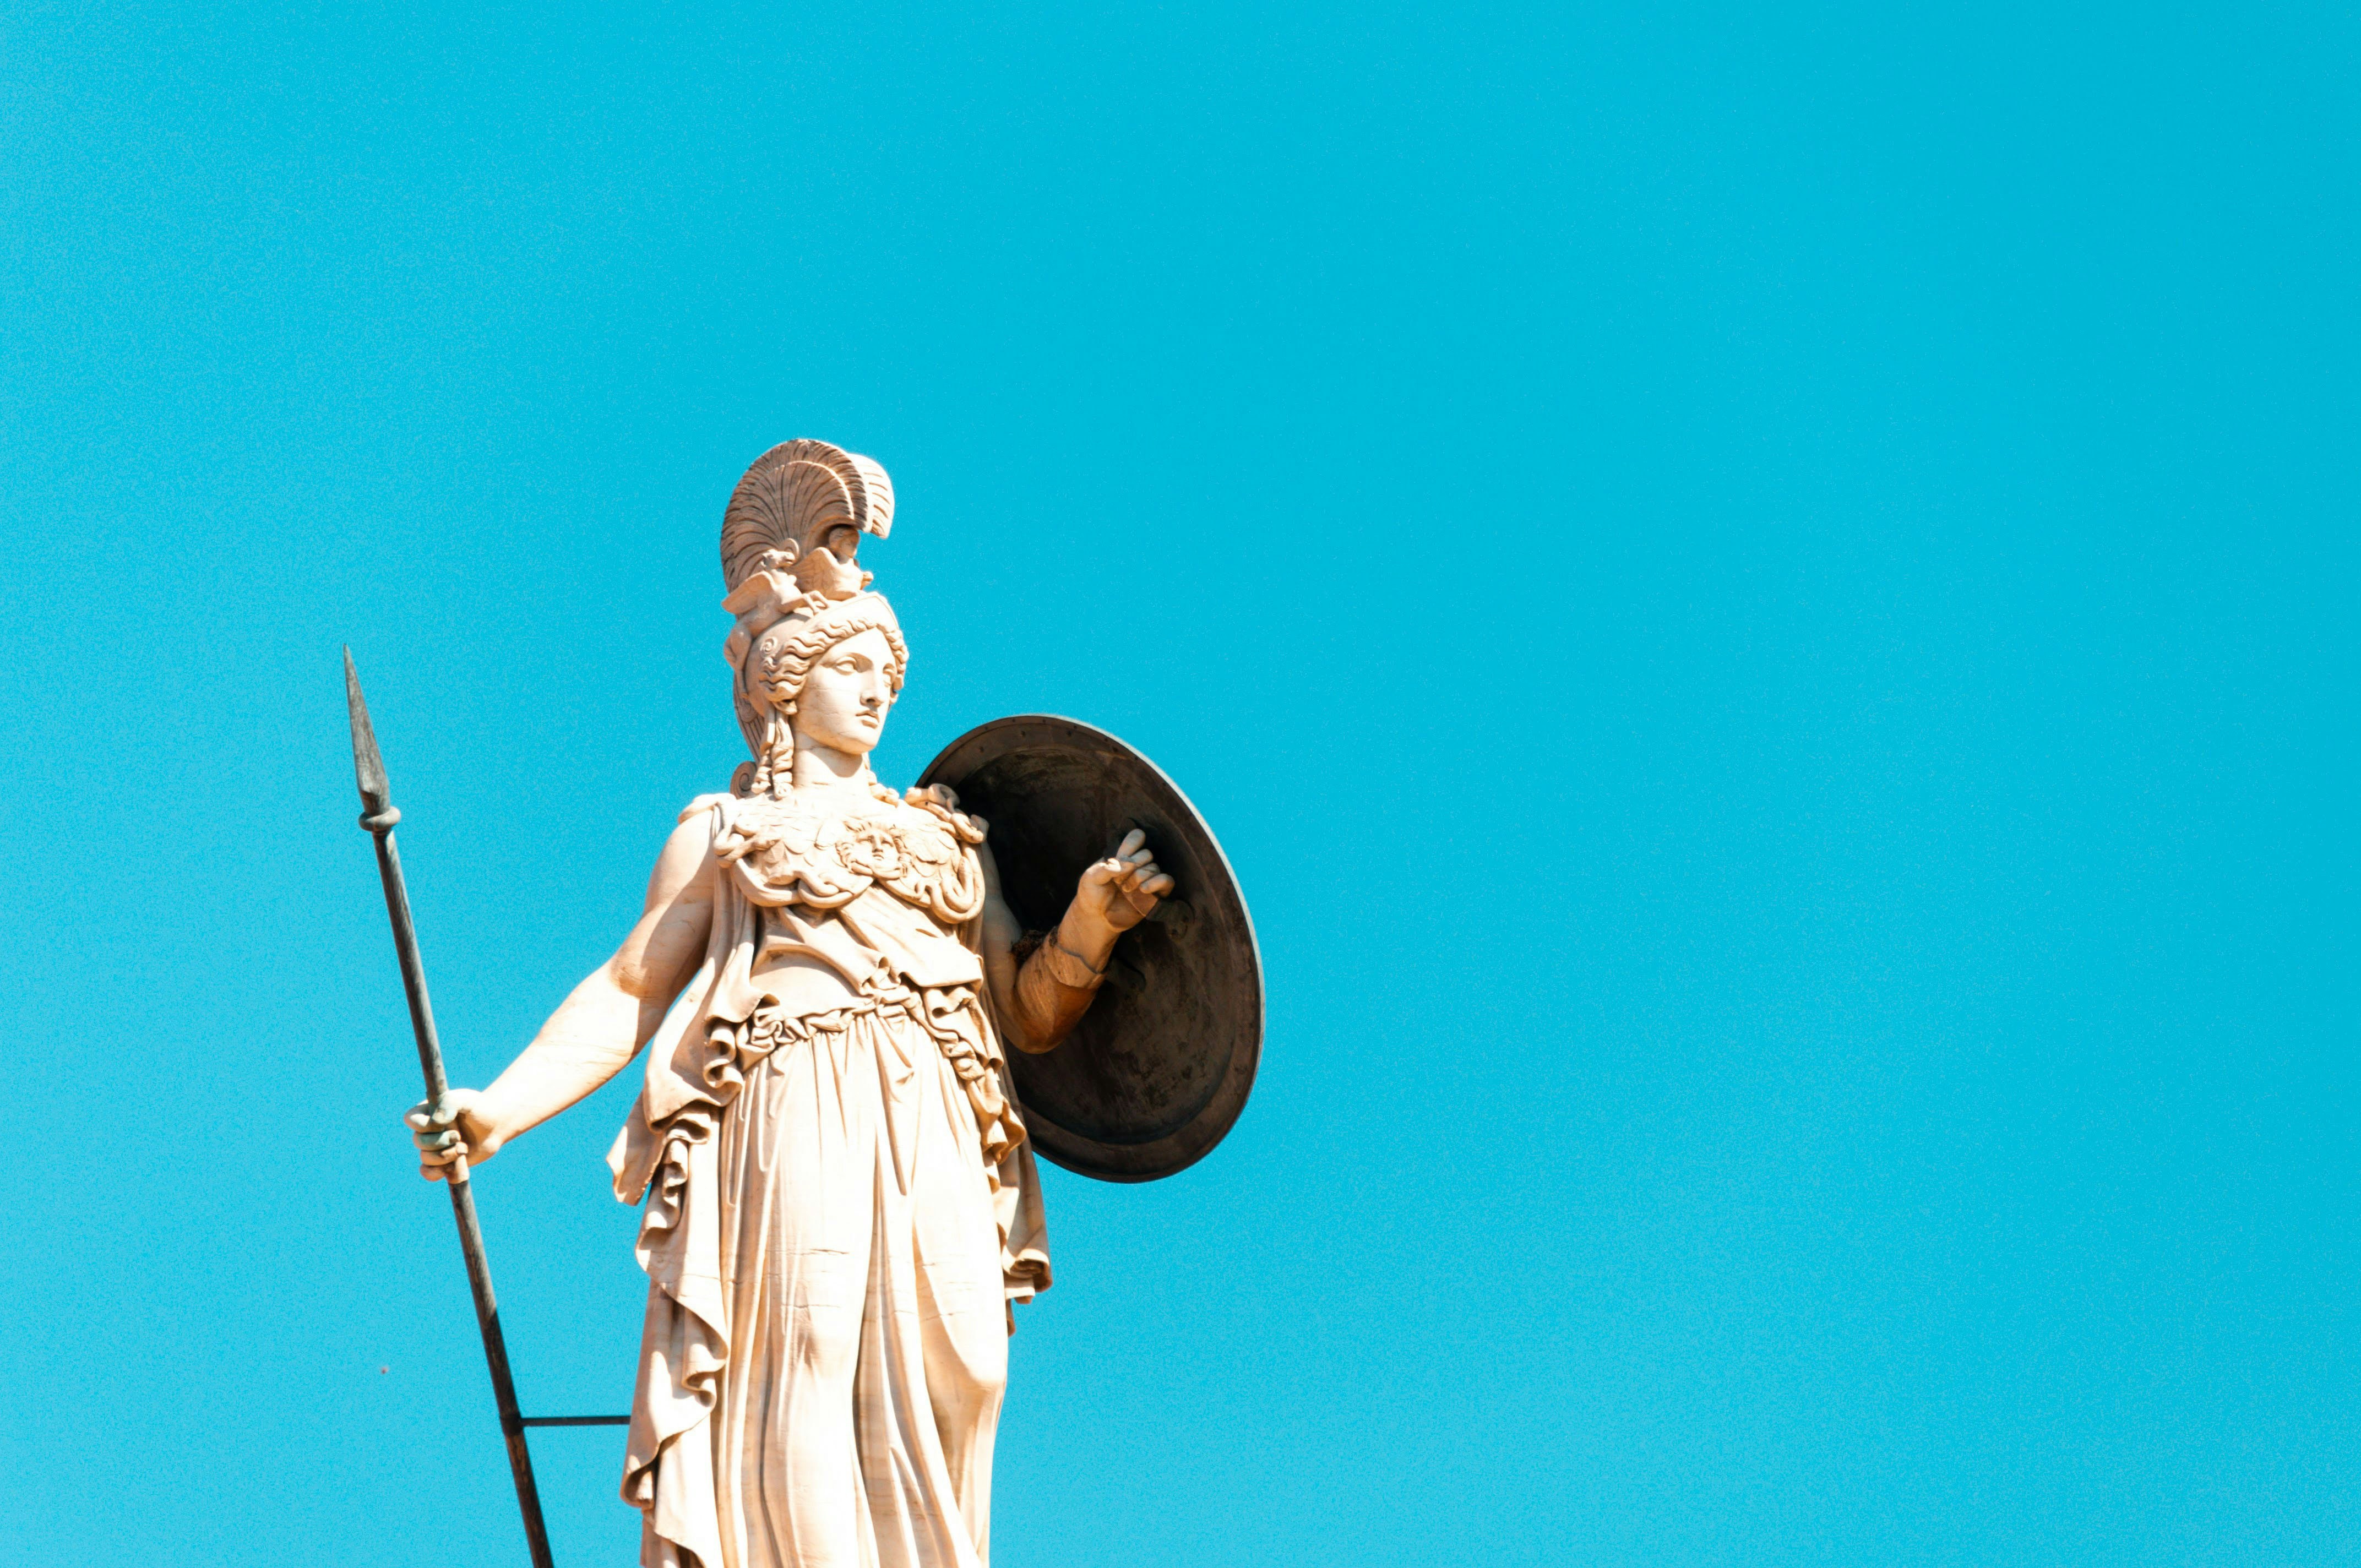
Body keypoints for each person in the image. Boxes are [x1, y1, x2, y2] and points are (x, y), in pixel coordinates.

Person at [406, 442, 1168, 1568]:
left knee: (967, 1363)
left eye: (887, 672)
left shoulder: (944, 836)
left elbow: (1028, 1010)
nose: (876, 688)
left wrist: (1091, 929)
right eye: (852, 663)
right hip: (797, 1089)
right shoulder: (724, 830)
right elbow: (627, 987)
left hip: (938, 1113)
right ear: (784, 680)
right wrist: (499, 1109)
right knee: (805, 1356)